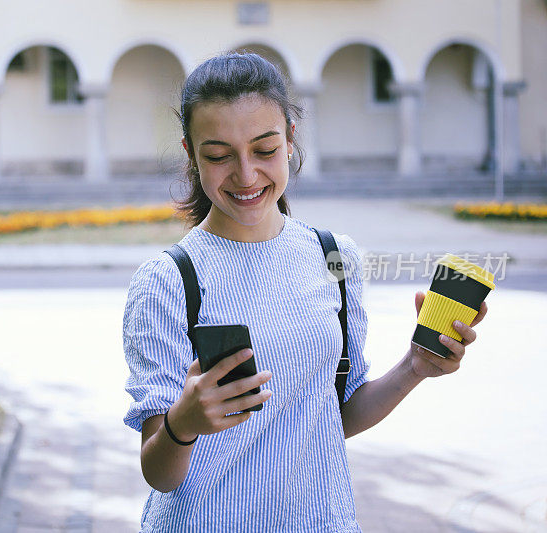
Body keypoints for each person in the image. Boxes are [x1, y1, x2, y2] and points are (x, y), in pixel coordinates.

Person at [122, 52, 488, 532]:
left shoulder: (334, 257)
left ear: (290, 139)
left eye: (265, 149)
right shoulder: (166, 281)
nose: (247, 174)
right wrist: (184, 422)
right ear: (191, 154)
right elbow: (159, 474)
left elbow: (331, 416)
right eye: (218, 155)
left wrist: (414, 367)